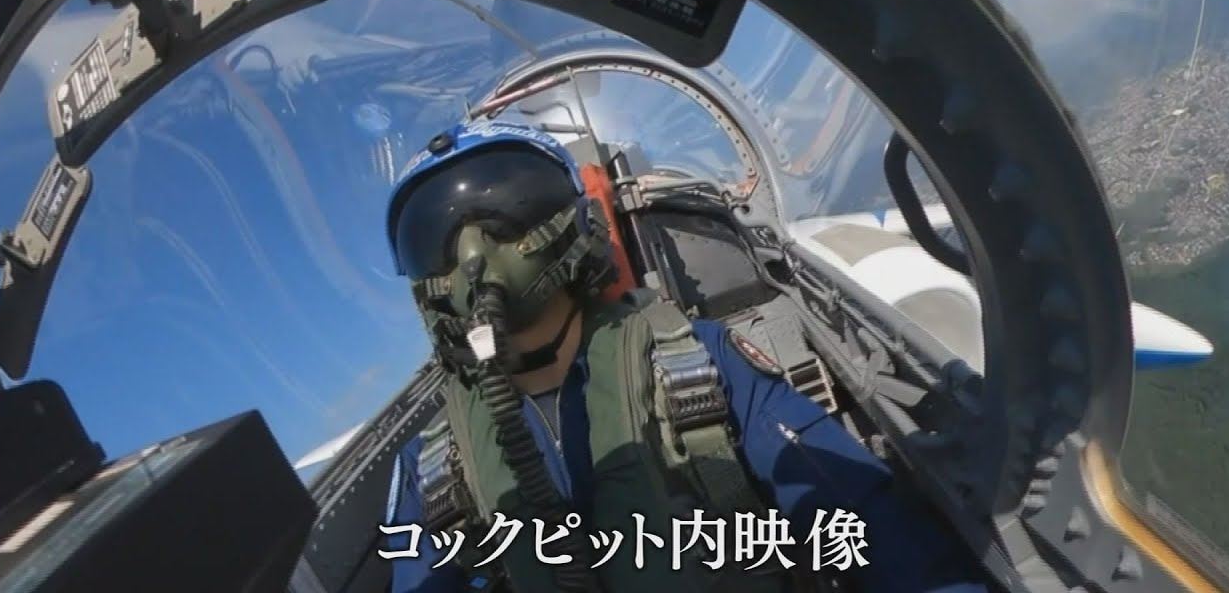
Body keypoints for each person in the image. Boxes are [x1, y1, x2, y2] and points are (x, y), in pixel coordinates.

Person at [382, 119, 989, 593]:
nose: (473, 255)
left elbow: (862, 517)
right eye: (434, 238)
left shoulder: (698, 361)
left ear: (575, 223)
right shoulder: (434, 465)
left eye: (510, 212)